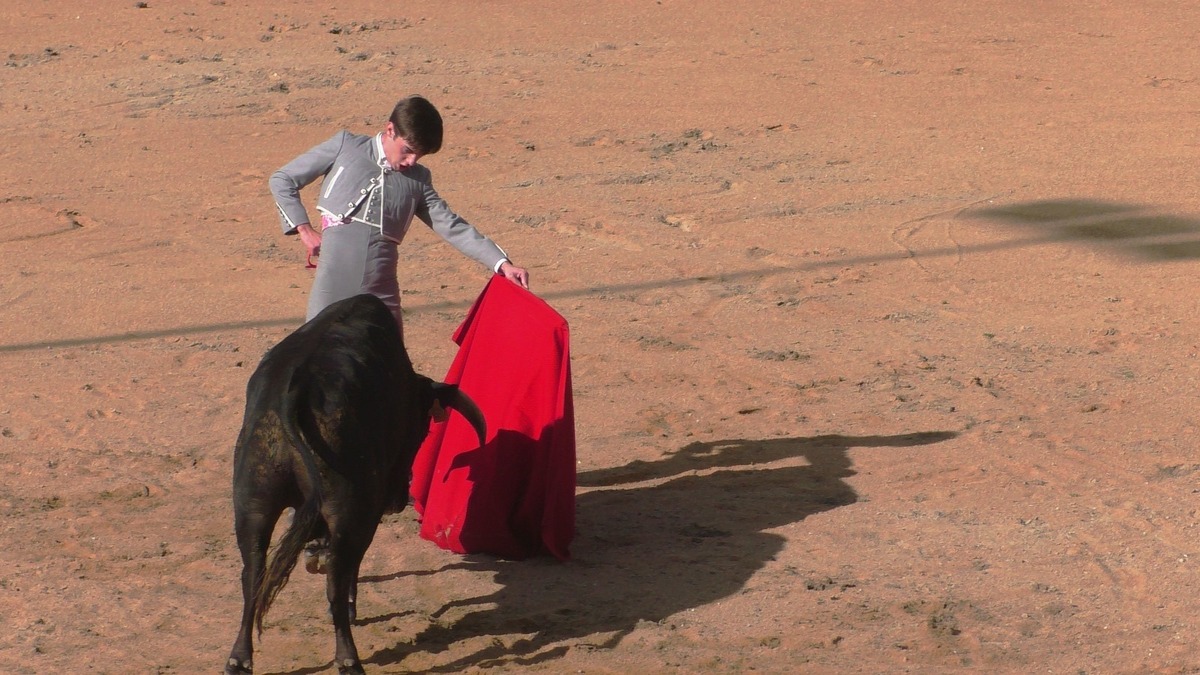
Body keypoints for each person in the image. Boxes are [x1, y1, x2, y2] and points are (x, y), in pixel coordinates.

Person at [269, 95, 529, 335]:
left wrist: (501, 263)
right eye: (407, 150)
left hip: (381, 288)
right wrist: (304, 229)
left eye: (420, 154)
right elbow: (282, 179)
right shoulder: (346, 146)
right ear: (390, 129)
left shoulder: (419, 181)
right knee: (316, 360)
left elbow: (452, 226)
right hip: (333, 280)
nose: (412, 161)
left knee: (390, 370)